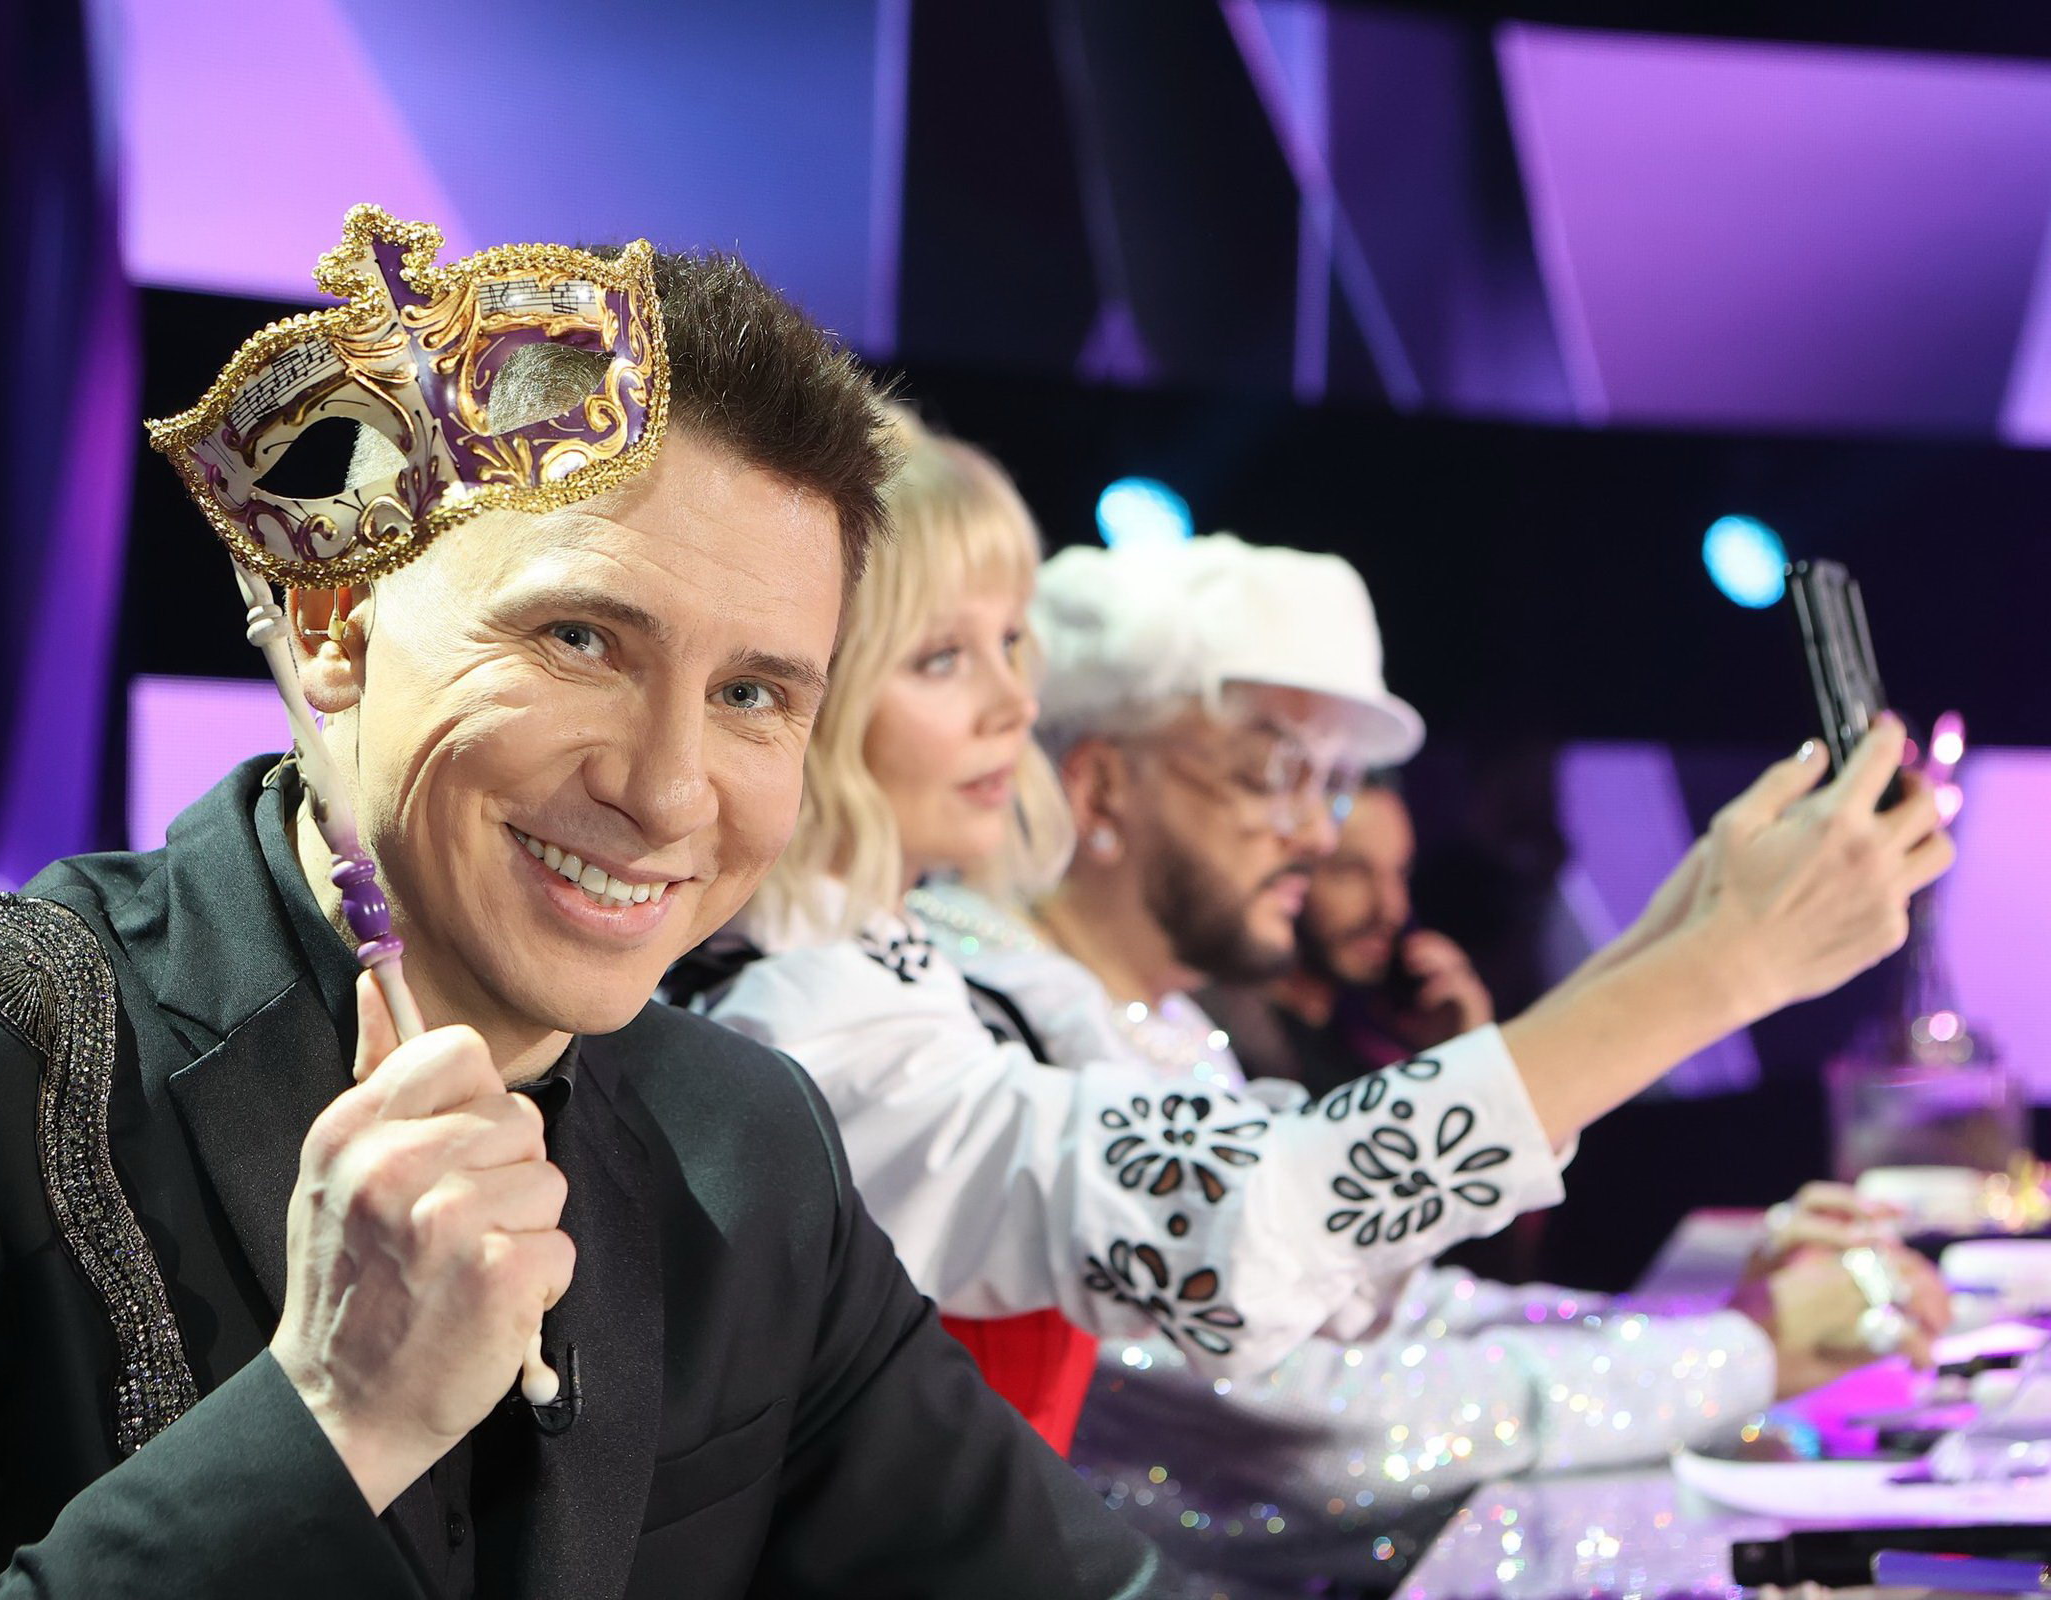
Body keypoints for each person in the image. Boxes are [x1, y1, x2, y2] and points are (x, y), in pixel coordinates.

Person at [0, 212, 1165, 1598]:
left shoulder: (745, 1143)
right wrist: (335, 1415)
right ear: (333, 623)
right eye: (580, 639)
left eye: (754, 694)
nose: (667, 790)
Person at [685, 419, 1953, 1479]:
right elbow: (1265, 1305)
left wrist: (1701, 929)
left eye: (1014, 645)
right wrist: (1722, 968)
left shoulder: (936, 980)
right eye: (1273, 769)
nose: (1018, 702)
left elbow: (1362, 1299)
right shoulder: (828, 1013)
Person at [909, 531, 1947, 1591]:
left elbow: (1387, 1312)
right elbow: (1314, 1431)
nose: (1317, 833)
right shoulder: (979, 1017)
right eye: (1273, 772)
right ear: (1098, 788)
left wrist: (1716, 1330)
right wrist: (1742, 1352)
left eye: (1333, 782)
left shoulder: (1138, 1017)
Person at [1205, 779, 1491, 1096]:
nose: (1392, 909)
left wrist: (1455, 1057)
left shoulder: (1371, 1056)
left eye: (1401, 872)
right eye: (1352, 871)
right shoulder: (1212, 1039)